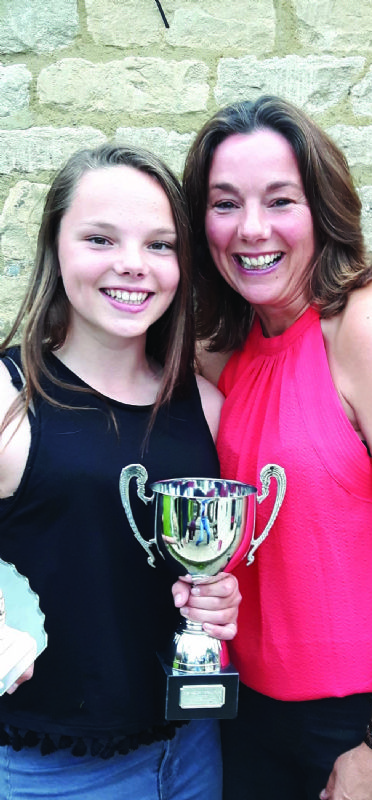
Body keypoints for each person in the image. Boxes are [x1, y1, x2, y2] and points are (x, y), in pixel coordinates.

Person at [182, 96, 372, 800]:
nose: (251, 229)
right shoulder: (227, 349)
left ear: (322, 208)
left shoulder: (370, 328)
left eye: (280, 200)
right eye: (224, 203)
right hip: (253, 724)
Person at [0, 142, 241, 799]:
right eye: (100, 239)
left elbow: (188, 571)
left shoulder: (207, 405)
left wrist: (216, 598)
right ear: (56, 247)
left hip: (191, 753)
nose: (132, 266)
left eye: (160, 245)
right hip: (50, 772)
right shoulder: (8, 398)